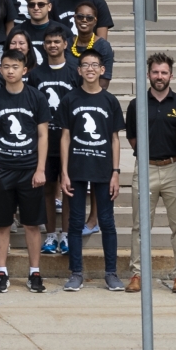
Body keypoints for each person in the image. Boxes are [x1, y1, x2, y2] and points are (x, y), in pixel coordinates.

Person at [0, 46, 50, 293]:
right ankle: (2, 272)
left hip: (29, 169)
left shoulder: (36, 97)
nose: (10, 71)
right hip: (3, 169)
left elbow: (43, 134)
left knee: (32, 224)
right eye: (6, 66)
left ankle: (35, 272)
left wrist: (40, 168)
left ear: (25, 69)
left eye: (15, 67)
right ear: (0, 69)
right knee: (2, 223)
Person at [58, 49, 125, 292]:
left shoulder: (110, 101)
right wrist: (64, 172)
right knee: (75, 222)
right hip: (76, 169)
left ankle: (111, 273)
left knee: (107, 221)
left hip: (103, 169)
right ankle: (76, 273)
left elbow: (115, 139)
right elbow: (65, 137)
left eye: (94, 65)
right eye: (85, 65)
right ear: (79, 70)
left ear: (102, 69)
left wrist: (116, 172)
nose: (89, 69)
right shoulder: (70, 99)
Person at [125, 51, 176, 293]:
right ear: (148, 74)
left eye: (164, 72)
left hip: (174, 168)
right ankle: (137, 273)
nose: (159, 76)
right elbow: (132, 137)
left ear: (171, 75)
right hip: (145, 169)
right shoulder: (136, 104)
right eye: (155, 72)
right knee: (139, 225)